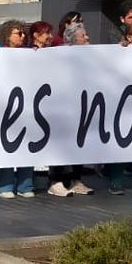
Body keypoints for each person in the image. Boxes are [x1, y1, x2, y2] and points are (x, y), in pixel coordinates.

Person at [50, 22, 95, 197]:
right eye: (83, 36)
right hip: (62, 106)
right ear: (72, 39)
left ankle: (76, 180)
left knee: (79, 143)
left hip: (82, 106)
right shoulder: (60, 55)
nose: (87, 38)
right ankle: (56, 181)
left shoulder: (91, 55)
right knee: (60, 144)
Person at [0, 21, 35, 199]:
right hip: (5, 106)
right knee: (7, 145)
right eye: (18, 33)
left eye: (23, 33)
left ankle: (26, 185)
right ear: (7, 35)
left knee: (28, 144)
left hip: (27, 105)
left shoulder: (30, 54)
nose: (23, 36)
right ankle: (5, 185)